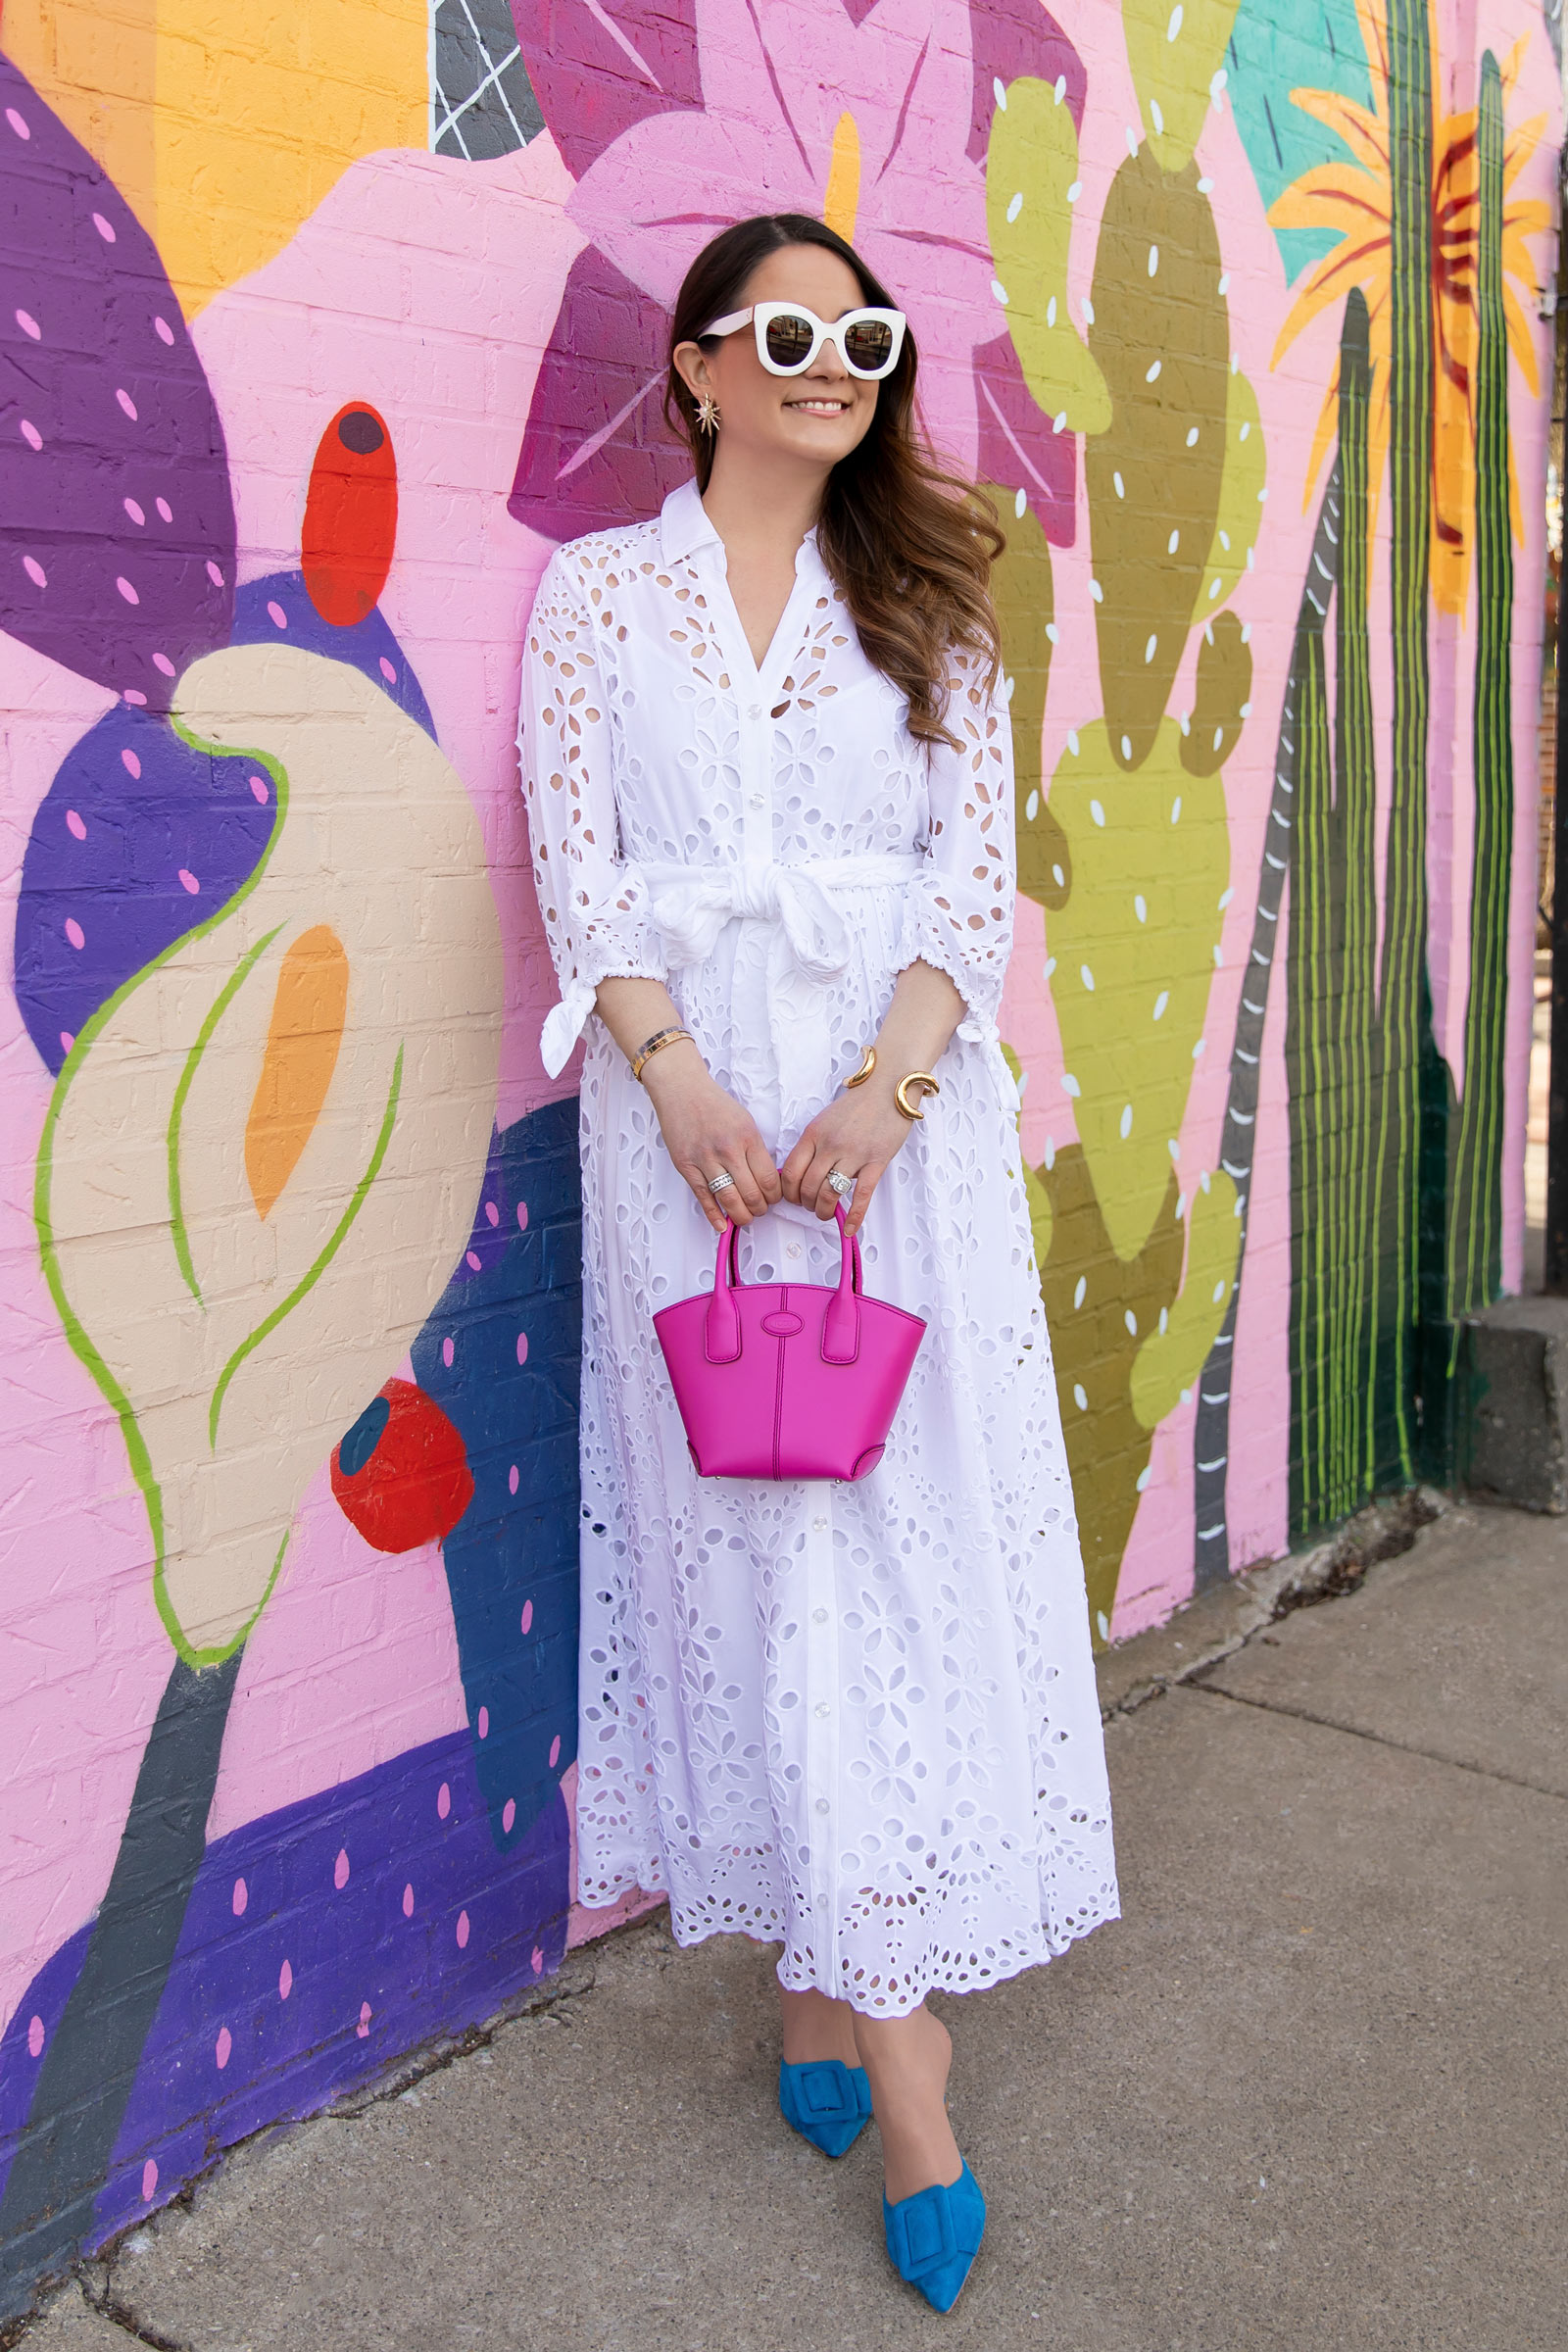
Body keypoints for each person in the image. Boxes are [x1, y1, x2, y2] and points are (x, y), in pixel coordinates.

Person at [518, 212, 1117, 2313]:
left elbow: (971, 883)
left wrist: (880, 1098)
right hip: (682, 1129)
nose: (829, 360)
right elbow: (580, 872)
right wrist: (679, 1081)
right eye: (783, 330)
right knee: (744, 1550)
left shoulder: (931, 601)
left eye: (860, 334)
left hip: (889, 1141)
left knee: (887, 1557)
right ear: (692, 367)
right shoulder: (594, 603)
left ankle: (888, 2045)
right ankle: (843, 1980)